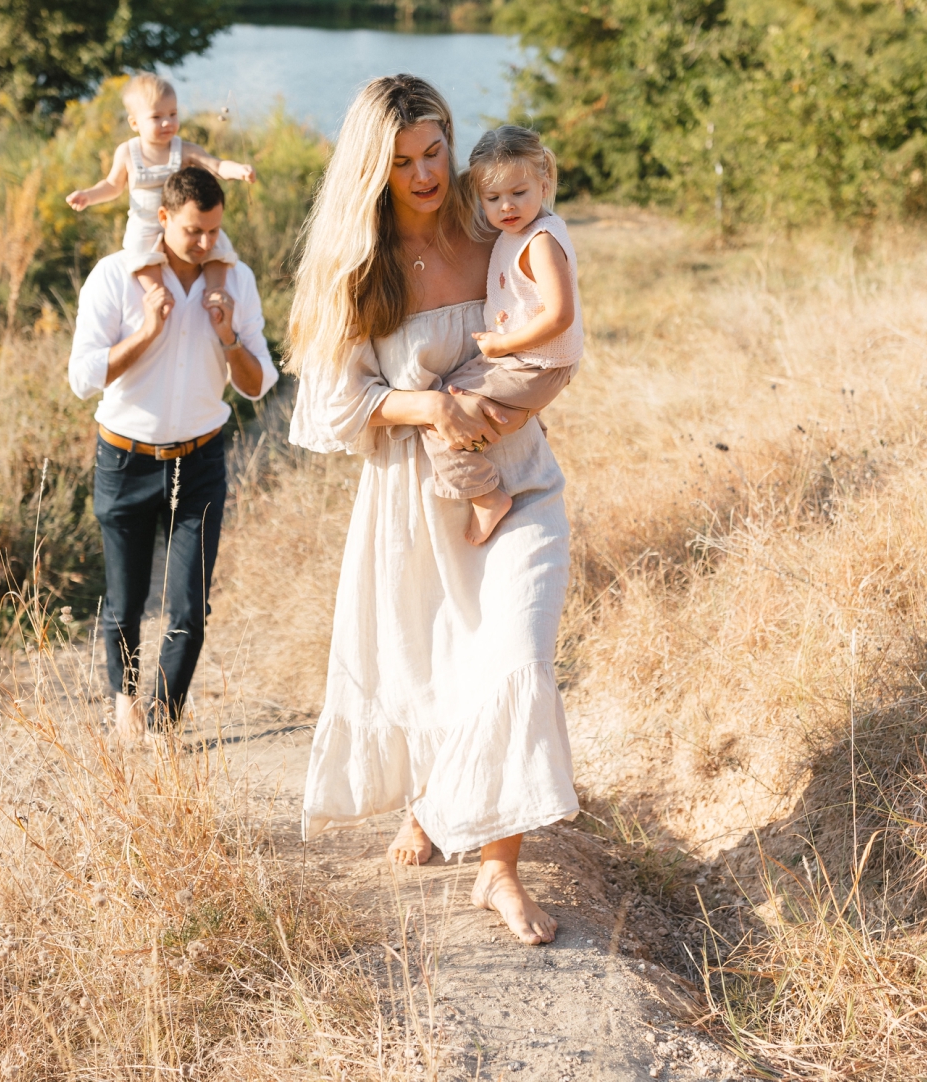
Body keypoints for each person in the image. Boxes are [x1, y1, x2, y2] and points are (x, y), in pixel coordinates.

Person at [288, 75, 578, 946]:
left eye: (434, 151)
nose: (423, 175)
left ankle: (499, 869)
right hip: (415, 501)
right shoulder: (360, 266)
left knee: (518, 656)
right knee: (436, 670)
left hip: (520, 482)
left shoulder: (493, 221)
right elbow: (337, 408)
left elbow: (556, 335)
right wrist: (433, 407)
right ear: (372, 167)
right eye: (402, 161)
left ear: (452, 141)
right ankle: (430, 797)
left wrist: (508, 404)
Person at [69, 166, 278, 738]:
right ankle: (124, 707)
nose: (206, 242)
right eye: (193, 231)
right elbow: (83, 377)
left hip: (200, 460)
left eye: (214, 230)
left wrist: (229, 334)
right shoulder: (115, 277)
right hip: (124, 458)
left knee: (189, 609)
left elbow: (258, 384)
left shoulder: (235, 282)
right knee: (125, 600)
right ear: (162, 219)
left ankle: (162, 727)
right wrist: (148, 331)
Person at [408, 125, 584, 545]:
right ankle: (520, 417)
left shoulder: (539, 241)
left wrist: (504, 344)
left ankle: (486, 495)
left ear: (544, 184)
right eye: (492, 198)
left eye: (518, 193)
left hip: (537, 364)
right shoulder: (514, 233)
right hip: (524, 362)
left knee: (439, 420)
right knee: (446, 396)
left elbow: (560, 315)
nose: (506, 206)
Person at [65, 73, 258, 309]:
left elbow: (215, 165)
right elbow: (112, 185)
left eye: (173, 114)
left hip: (182, 221)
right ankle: (158, 294)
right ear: (135, 123)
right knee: (140, 255)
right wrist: (88, 196)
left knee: (217, 247)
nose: (167, 122)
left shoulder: (184, 149)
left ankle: (216, 290)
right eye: (157, 117)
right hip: (146, 222)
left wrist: (239, 170)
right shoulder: (128, 152)